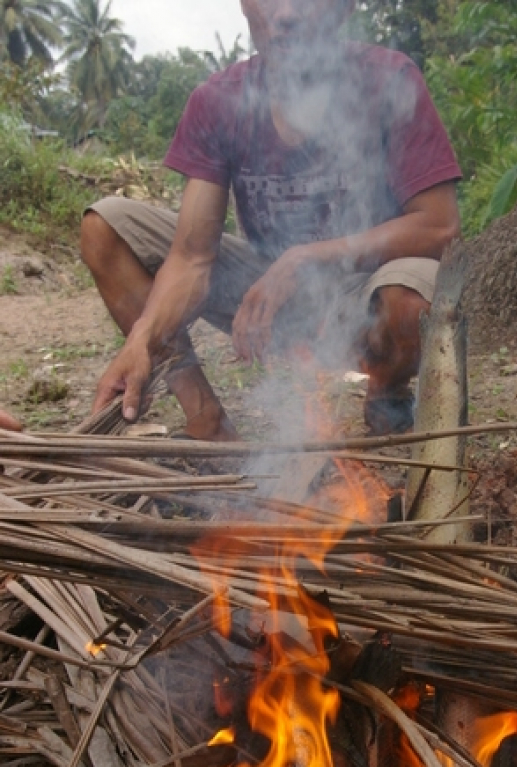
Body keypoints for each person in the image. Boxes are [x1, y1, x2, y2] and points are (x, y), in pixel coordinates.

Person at [82, 0, 461, 439]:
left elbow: (440, 226)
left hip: (365, 293)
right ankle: (206, 419)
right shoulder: (219, 101)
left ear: (344, 8)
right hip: (267, 295)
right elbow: (191, 258)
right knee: (105, 227)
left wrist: (306, 259)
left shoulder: (388, 79)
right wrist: (142, 339)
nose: (285, 15)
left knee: (414, 302)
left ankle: (387, 387)